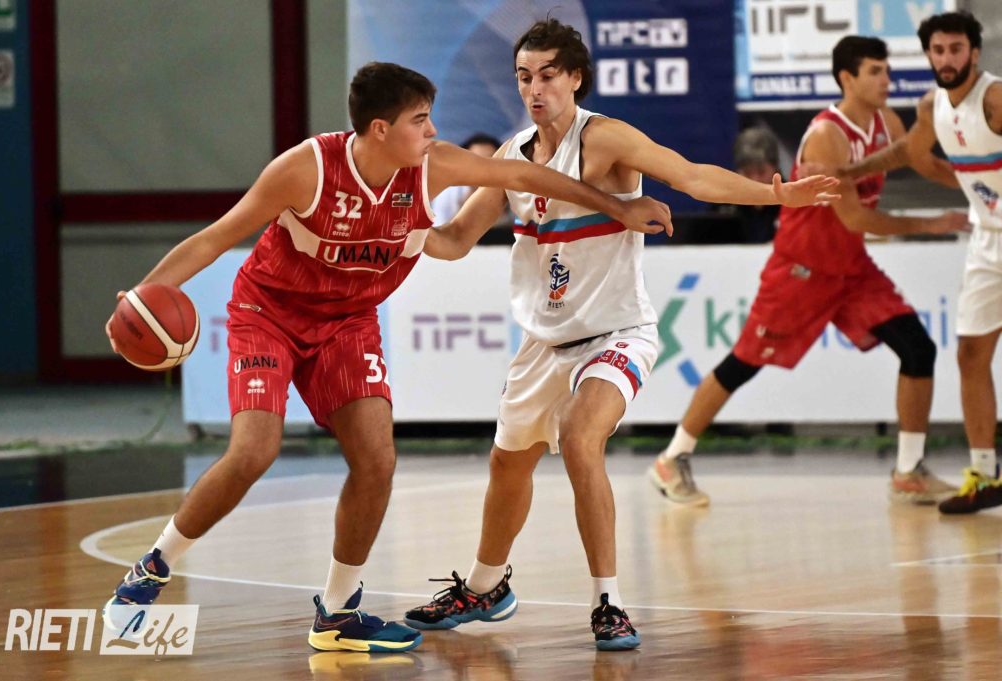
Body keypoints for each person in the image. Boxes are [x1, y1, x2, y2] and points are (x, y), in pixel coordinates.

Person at [101, 61, 674, 654]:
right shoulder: (305, 169)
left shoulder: (433, 166)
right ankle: (153, 568)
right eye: (419, 120)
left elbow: (523, 174)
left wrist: (617, 207)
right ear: (380, 129)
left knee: (376, 461)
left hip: (348, 322)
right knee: (254, 450)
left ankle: (337, 613)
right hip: (269, 314)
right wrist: (141, 298)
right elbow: (214, 237)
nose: (432, 131)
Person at [401, 19, 839, 650]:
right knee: (507, 463)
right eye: (524, 77)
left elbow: (691, 176)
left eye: (548, 75)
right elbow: (454, 241)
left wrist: (777, 196)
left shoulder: (604, 138)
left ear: (575, 77)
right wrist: (397, 227)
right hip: (543, 343)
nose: (534, 89)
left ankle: (608, 602)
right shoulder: (510, 156)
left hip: (616, 333)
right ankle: (485, 586)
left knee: (581, 437)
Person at [649, 36, 968, 509]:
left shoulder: (889, 121)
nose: (887, 79)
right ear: (847, 79)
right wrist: (933, 224)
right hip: (802, 269)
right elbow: (856, 218)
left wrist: (979, 177)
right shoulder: (826, 135)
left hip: (851, 269)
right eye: (875, 71)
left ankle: (908, 472)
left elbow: (921, 159)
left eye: (887, 70)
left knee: (918, 348)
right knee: (744, 363)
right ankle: (672, 458)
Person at [838, 11, 1002, 515]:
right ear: (929, 54)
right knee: (970, 356)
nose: (947, 58)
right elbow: (909, 152)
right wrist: (847, 172)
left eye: (956, 49)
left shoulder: (994, 99)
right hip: (988, 239)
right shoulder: (932, 105)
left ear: (974, 53)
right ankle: (985, 474)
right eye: (939, 50)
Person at [711, 127, 782, 243]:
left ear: (776, 168)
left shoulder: (791, 199)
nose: (755, 180)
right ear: (737, 171)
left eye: (761, 172)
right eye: (747, 173)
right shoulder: (722, 200)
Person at [431, 133, 501, 221]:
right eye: (476, 162)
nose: (483, 169)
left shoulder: (511, 190)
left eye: (490, 161)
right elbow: (439, 225)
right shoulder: (447, 192)